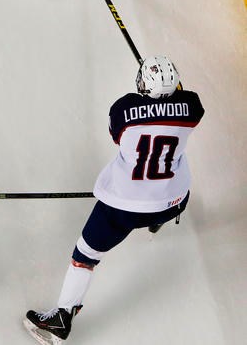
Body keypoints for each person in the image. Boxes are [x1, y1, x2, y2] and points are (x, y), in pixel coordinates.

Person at [23, 55, 205, 344]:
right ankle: (157, 222)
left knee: (85, 255)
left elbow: (118, 137)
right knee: (169, 194)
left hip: (124, 207)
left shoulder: (123, 109)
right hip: (173, 200)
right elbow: (183, 97)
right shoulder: (193, 107)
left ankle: (62, 317)